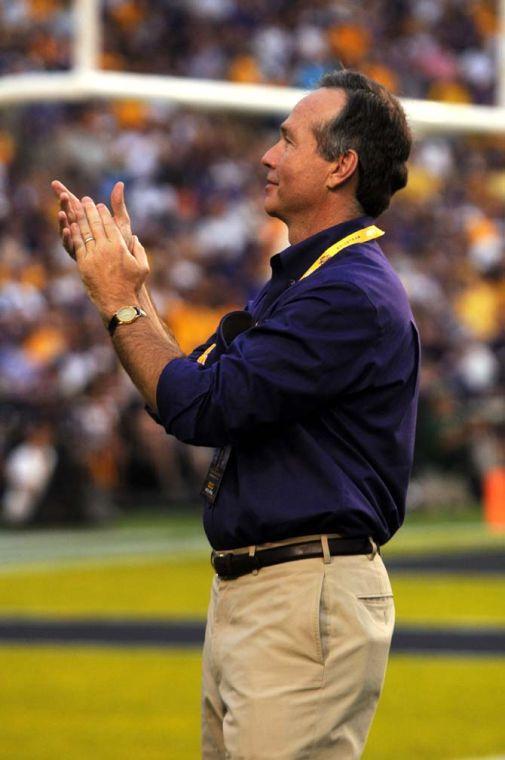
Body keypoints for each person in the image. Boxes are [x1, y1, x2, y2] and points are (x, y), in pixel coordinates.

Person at [53, 69, 419, 759]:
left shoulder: (345, 293)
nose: (267, 155)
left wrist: (119, 301)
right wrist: (134, 292)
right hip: (270, 591)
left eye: (288, 140)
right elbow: (189, 383)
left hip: (300, 595)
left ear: (341, 165)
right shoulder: (316, 279)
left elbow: (196, 407)